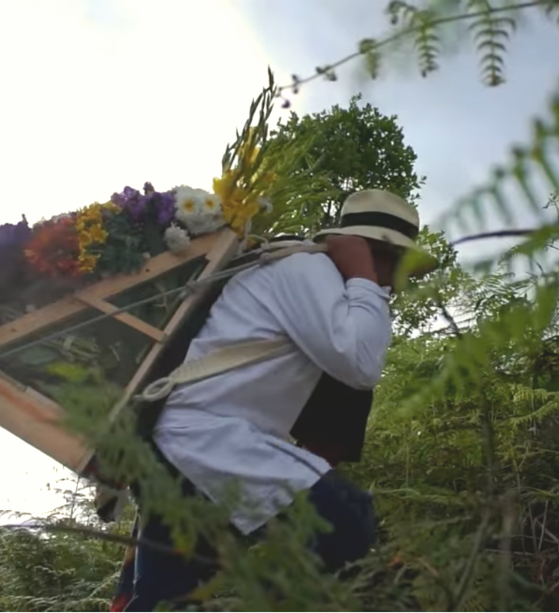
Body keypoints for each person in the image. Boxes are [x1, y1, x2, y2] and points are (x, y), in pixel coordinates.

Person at [117, 189, 436, 612]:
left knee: (168, 599)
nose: (398, 282)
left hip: (184, 446)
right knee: (346, 518)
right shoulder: (308, 271)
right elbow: (360, 364)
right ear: (373, 250)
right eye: (400, 265)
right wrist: (363, 277)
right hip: (201, 439)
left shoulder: (309, 278)